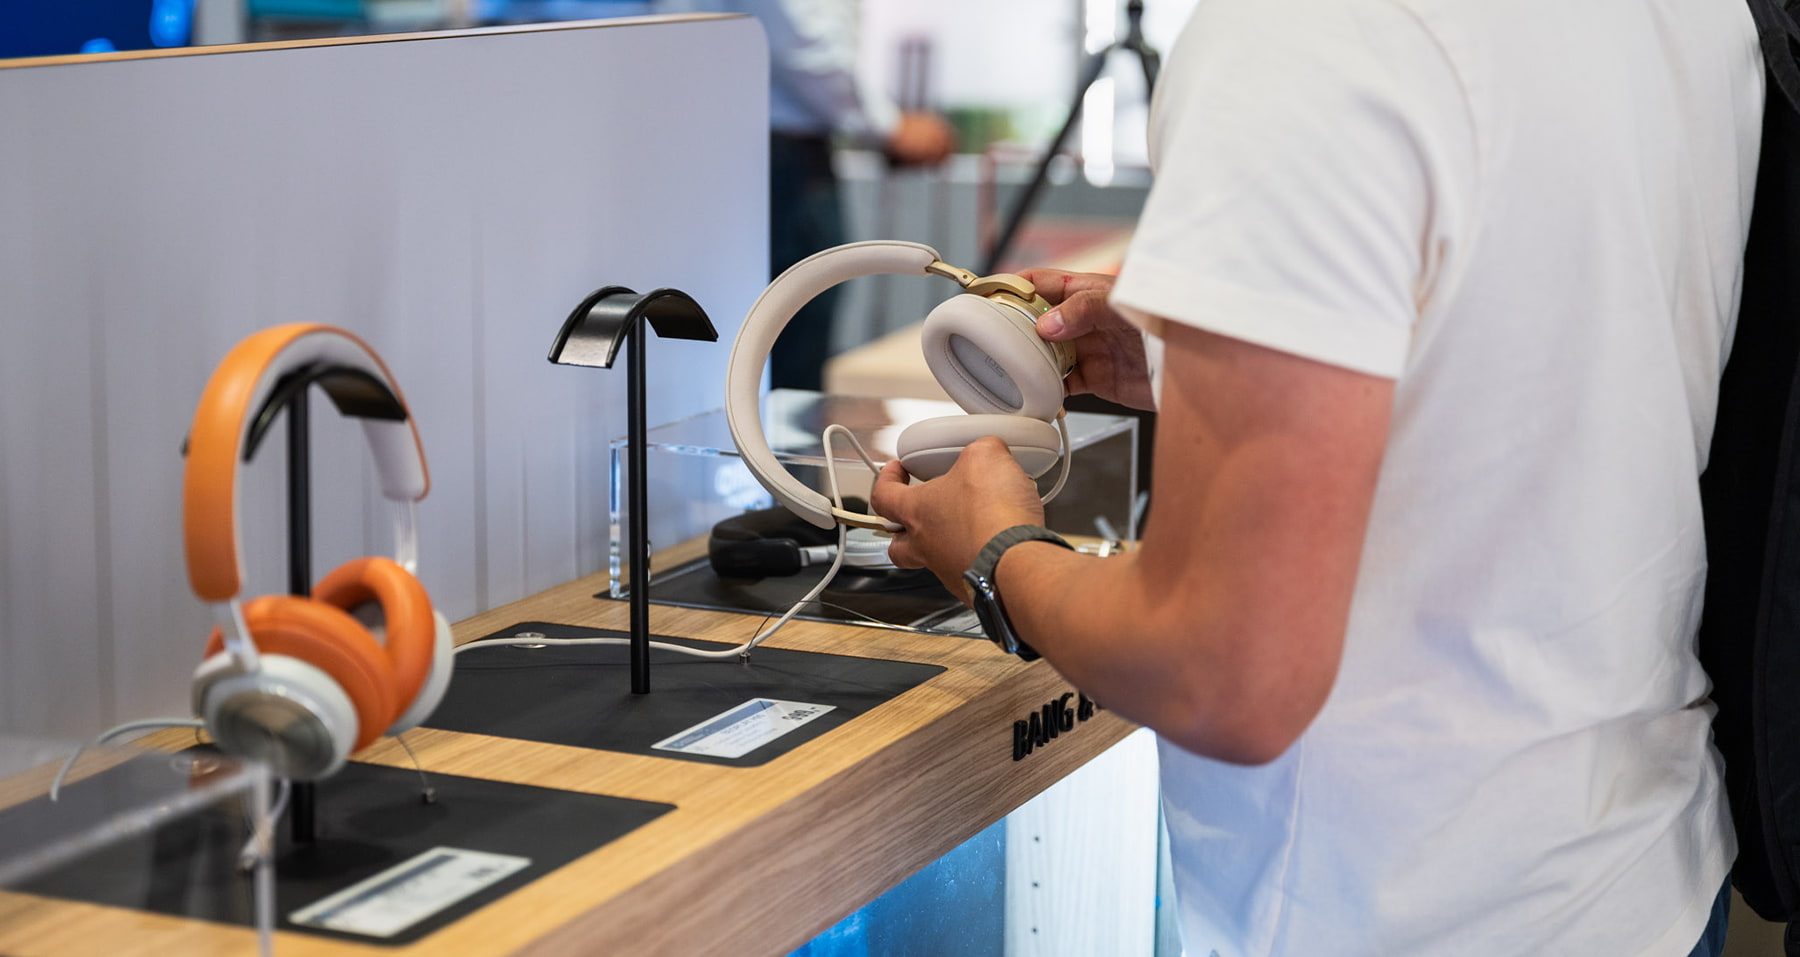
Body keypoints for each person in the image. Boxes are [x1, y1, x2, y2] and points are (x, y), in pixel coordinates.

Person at [869, 1, 1763, 954]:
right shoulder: (1684, 14)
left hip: (1395, 910)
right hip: (1633, 873)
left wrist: (997, 551)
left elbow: (1223, 672)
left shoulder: (1299, 35)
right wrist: (1242, 356)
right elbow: (1552, 348)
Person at [655, 0, 956, 390]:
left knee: (745, 336)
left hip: (738, 146)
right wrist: (888, 126)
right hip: (774, 158)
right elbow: (801, 39)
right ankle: (762, 449)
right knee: (785, 337)